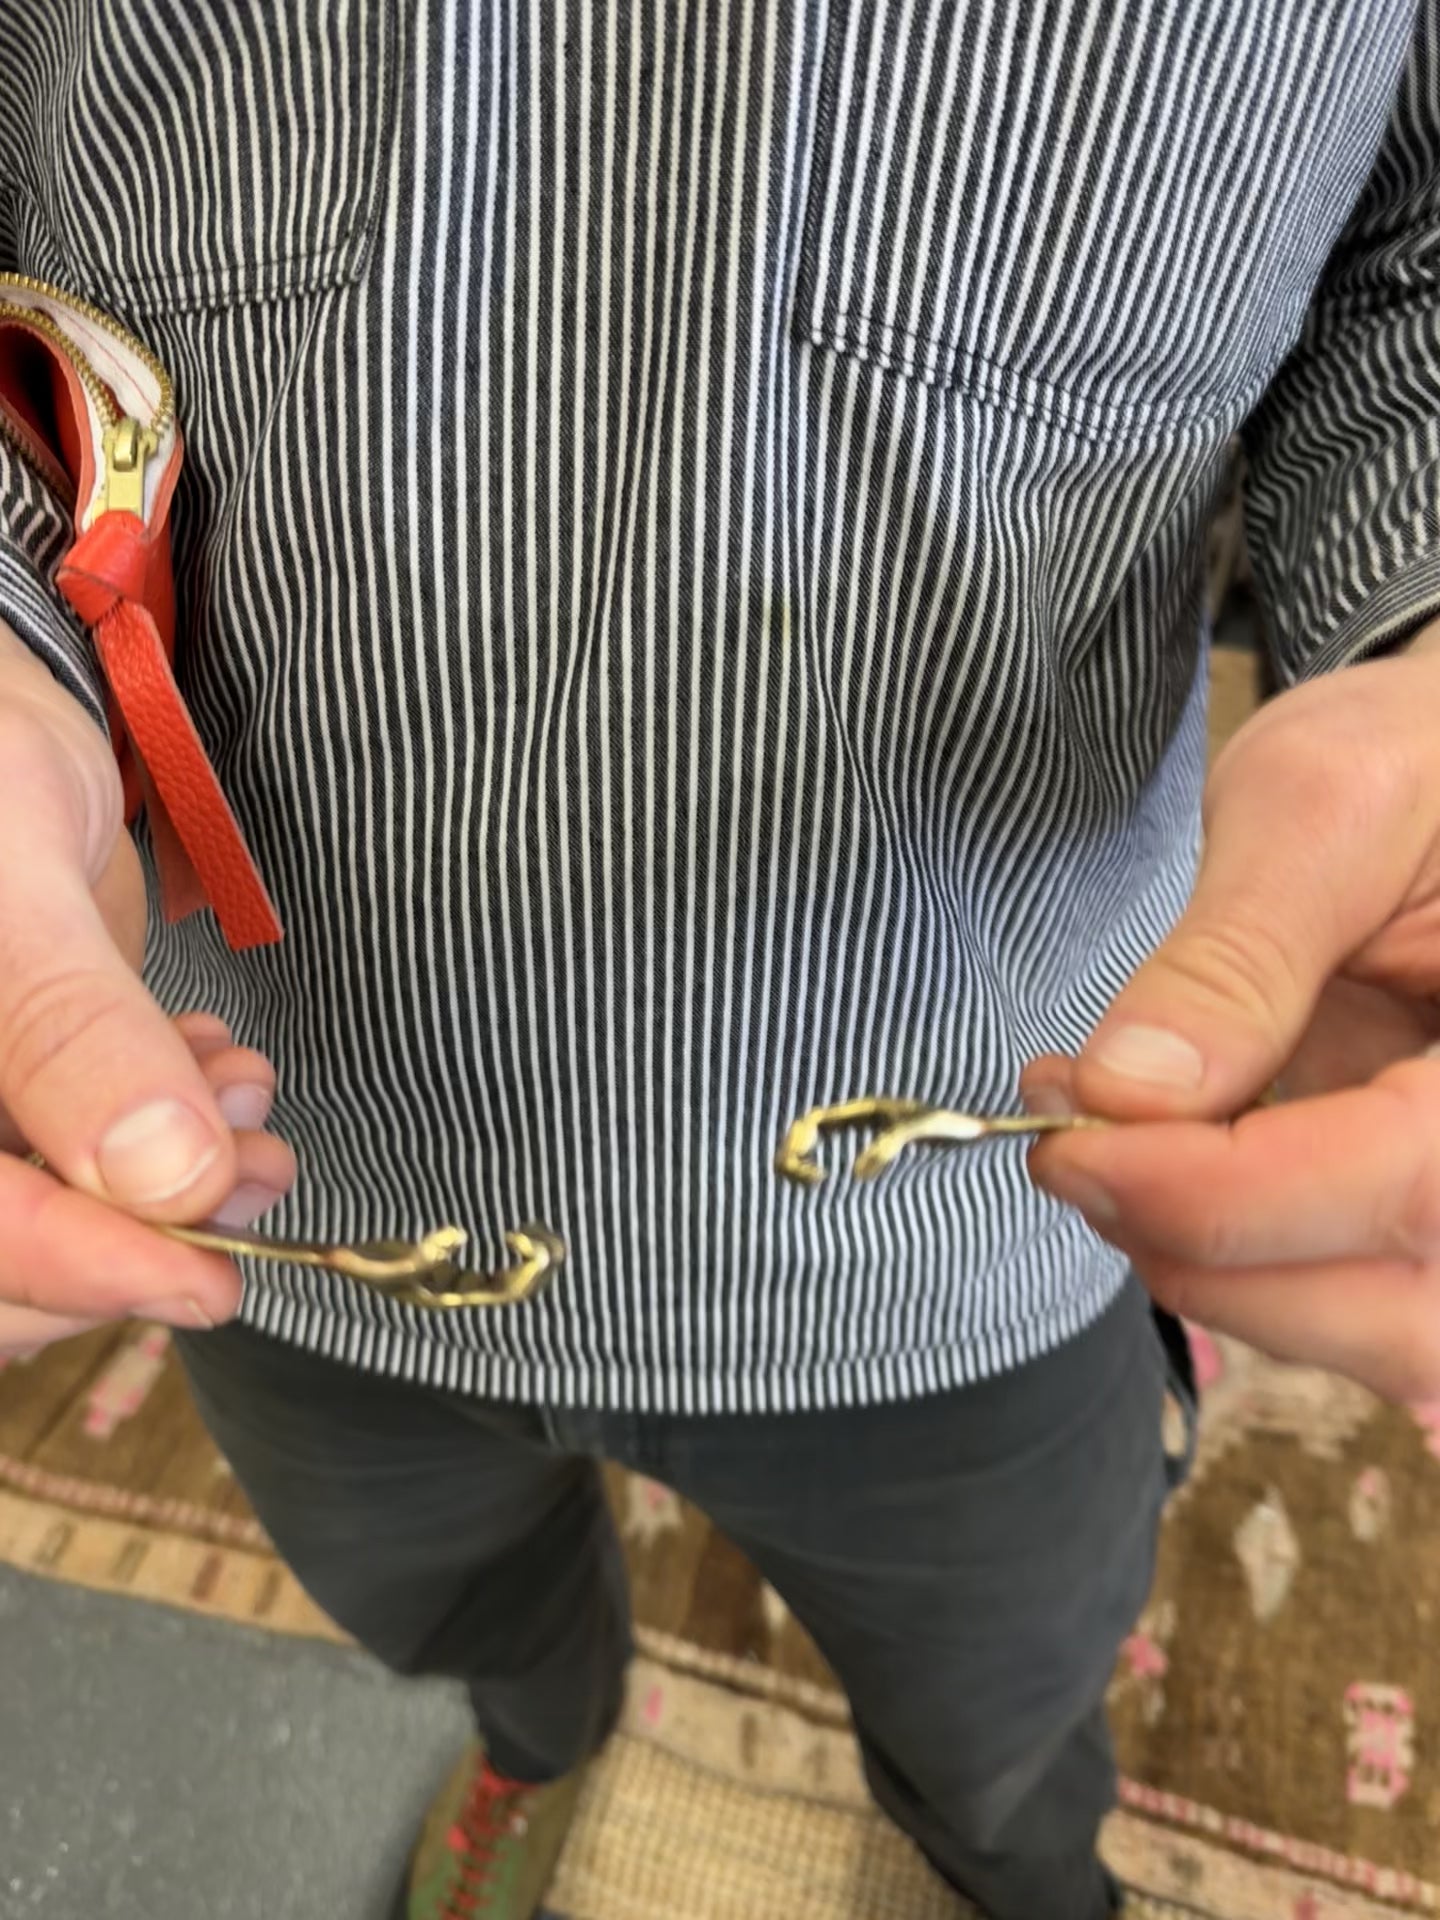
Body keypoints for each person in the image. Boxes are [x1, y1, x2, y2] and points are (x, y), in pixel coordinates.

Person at [2, 5, 1439, 1917]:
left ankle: (1011, 1874)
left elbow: (1414, 246)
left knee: (1004, 1724)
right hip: (293, 1180)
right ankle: (537, 1743)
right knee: (454, 1616)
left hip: (982, 1213)